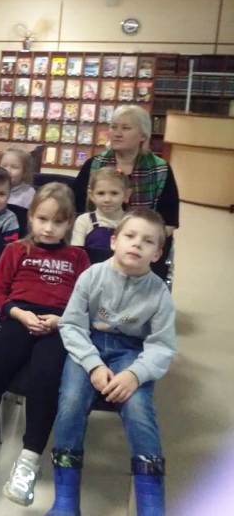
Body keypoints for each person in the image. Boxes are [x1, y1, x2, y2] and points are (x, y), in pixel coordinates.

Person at [0, 183, 90, 507]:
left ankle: (29, 459)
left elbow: (85, 300)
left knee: (46, 378)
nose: (49, 227)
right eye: (42, 219)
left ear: (70, 223)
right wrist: (18, 313)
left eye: (58, 221)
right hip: (19, 316)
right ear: (30, 217)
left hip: (58, 324)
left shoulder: (78, 257)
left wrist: (62, 320)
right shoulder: (16, 250)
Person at [47, 209, 176, 516]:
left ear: (157, 253)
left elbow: (162, 346)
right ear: (114, 241)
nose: (137, 244)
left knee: (139, 409)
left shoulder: (159, 292)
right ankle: (65, 501)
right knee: (71, 403)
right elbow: (71, 325)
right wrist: (92, 364)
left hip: (131, 352)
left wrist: (135, 375)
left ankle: (151, 505)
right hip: (87, 346)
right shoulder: (92, 276)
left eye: (148, 241)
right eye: (130, 236)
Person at [73, 105, 179, 235]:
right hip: (93, 238)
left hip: (141, 240)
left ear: (143, 135)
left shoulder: (160, 170)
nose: (117, 134)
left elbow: (168, 223)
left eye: (125, 128)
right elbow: (75, 211)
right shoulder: (93, 165)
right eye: (113, 127)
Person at [71, 167, 128, 250]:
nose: (107, 199)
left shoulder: (132, 222)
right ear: (91, 195)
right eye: (101, 193)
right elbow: (76, 252)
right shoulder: (84, 221)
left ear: (125, 195)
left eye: (114, 193)